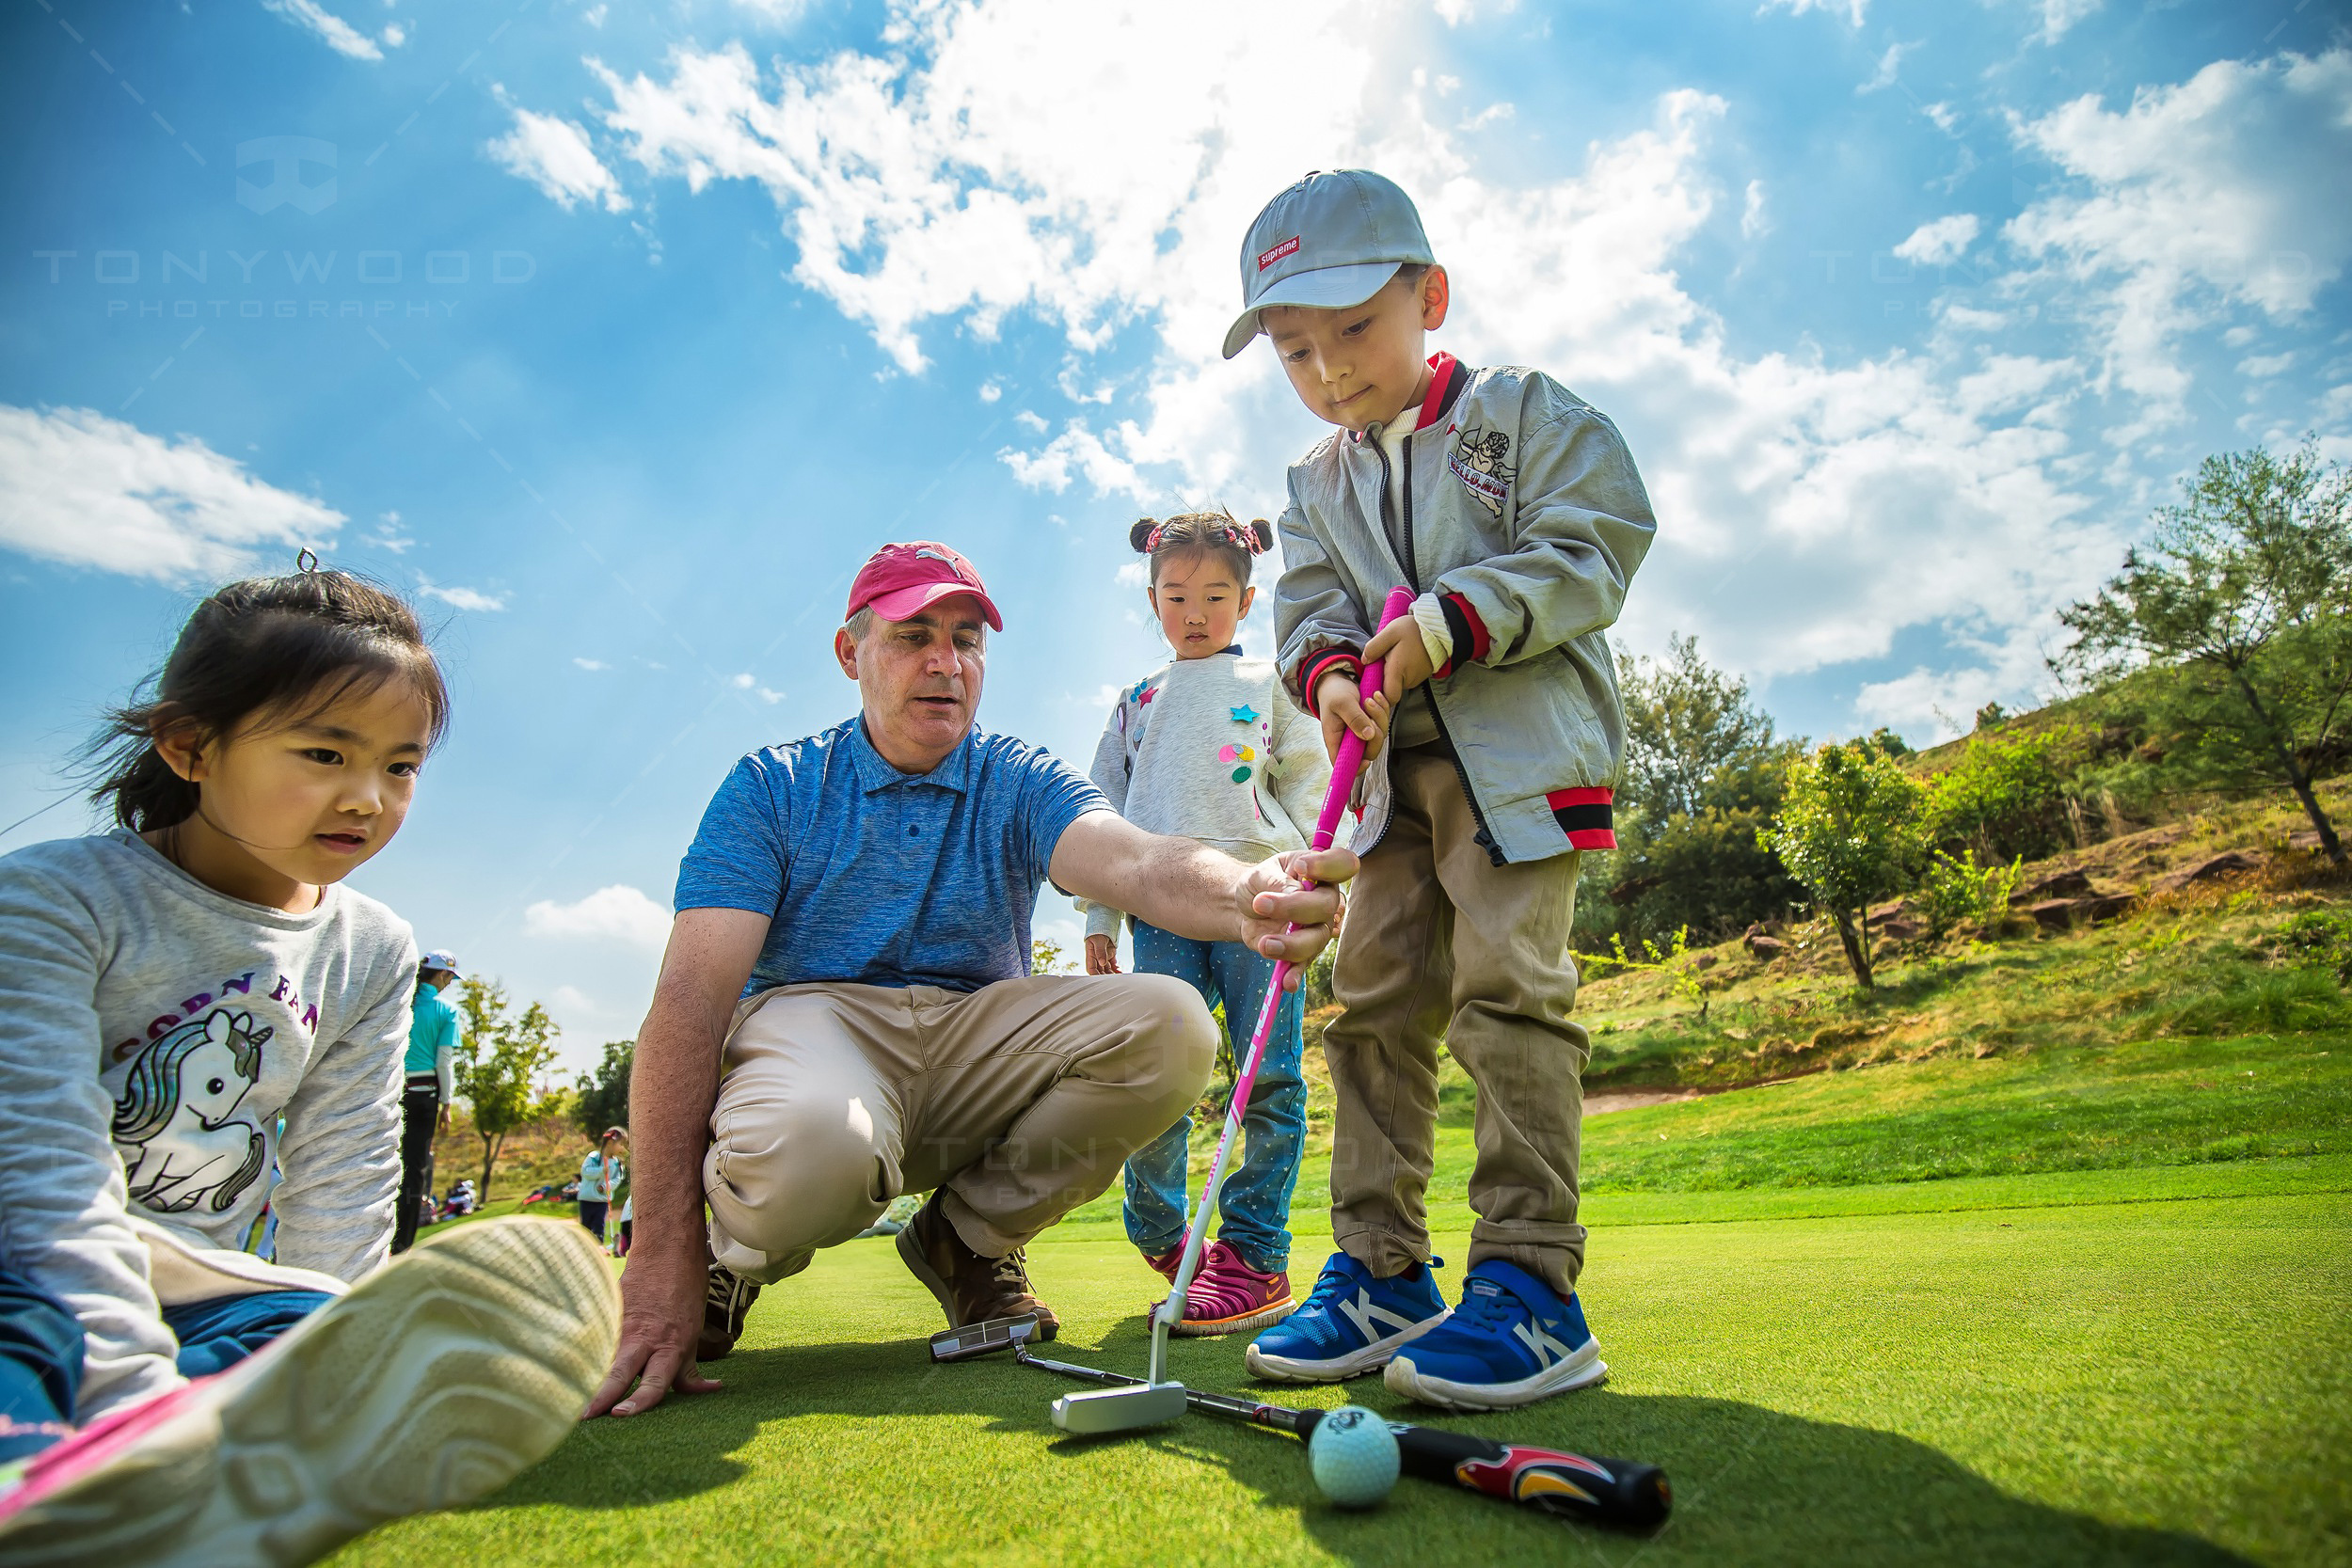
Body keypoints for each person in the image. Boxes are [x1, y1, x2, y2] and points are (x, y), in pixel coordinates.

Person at [585, 540, 1350, 1418]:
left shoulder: (1017, 778)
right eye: (913, 635)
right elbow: (688, 1003)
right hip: (818, 1030)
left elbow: (1137, 863)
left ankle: (966, 1241)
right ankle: (720, 1259)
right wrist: (659, 1250)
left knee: (1174, 1023)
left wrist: (1245, 888)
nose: (944, 662)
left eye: (966, 640)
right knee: (810, 1146)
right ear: (851, 653)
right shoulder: (773, 786)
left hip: (975, 1035)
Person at [0, 564, 616, 1561]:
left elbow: (346, 1172)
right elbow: (41, 1184)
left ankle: (195, 1461)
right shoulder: (54, 901)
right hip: (31, 1267)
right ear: (190, 745)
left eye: (401, 766)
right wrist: (132, 1396)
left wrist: (342, 1357)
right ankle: (54, 1478)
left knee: (307, 1322)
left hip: (195, 1292)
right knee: (30, 1328)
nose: (367, 797)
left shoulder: (373, 947)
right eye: (325, 751)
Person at [1222, 170, 1657, 1411]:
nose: (1330, 370)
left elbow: (1596, 541)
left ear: (1432, 296)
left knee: (1508, 994)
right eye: (1296, 349)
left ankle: (1530, 1284)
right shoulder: (1315, 482)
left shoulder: (1520, 415)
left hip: (1519, 769)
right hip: (1387, 788)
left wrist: (1458, 618)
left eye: (1353, 329)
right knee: (1371, 1007)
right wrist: (1329, 669)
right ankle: (1379, 1267)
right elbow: (1307, 607)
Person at [1081, 511, 1331, 1336]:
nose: (1196, 612)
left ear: (1247, 598)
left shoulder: (1274, 681)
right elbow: (1102, 820)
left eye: (1216, 595)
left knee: (1270, 1077)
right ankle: (1164, 1234)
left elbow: (1308, 785)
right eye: (1178, 595)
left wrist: (1303, 875)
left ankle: (1254, 1253)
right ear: (1153, 599)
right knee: (1159, 1077)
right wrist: (1100, 915)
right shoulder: (1134, 703)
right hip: (1160, 909)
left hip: (1259, 900)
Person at [392, 948, 462, 1255]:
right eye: (450, 977)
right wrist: (447, 1103)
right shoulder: (446, 1011)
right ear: (443, 974)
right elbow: (443, 1060)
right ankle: (402, 1244)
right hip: (424, 1095)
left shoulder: (400, 1003)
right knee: (414, 1168)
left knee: (384, 1159)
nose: (450, 983)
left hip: (392, 1090)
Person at [579, 1127, 627, 1243]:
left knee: (599, 1225)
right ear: (610, 1143)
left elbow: (617, 1180)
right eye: (621, 1144)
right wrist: (601, 1171)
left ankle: (598, 1245)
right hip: (587, 1199)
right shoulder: (593, 1157)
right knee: (586, 1226)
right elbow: (585, 1172)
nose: (622, 1148)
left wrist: (605, 1187)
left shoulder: (617, 1164)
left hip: (602, 1200)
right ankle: (583, 1245)